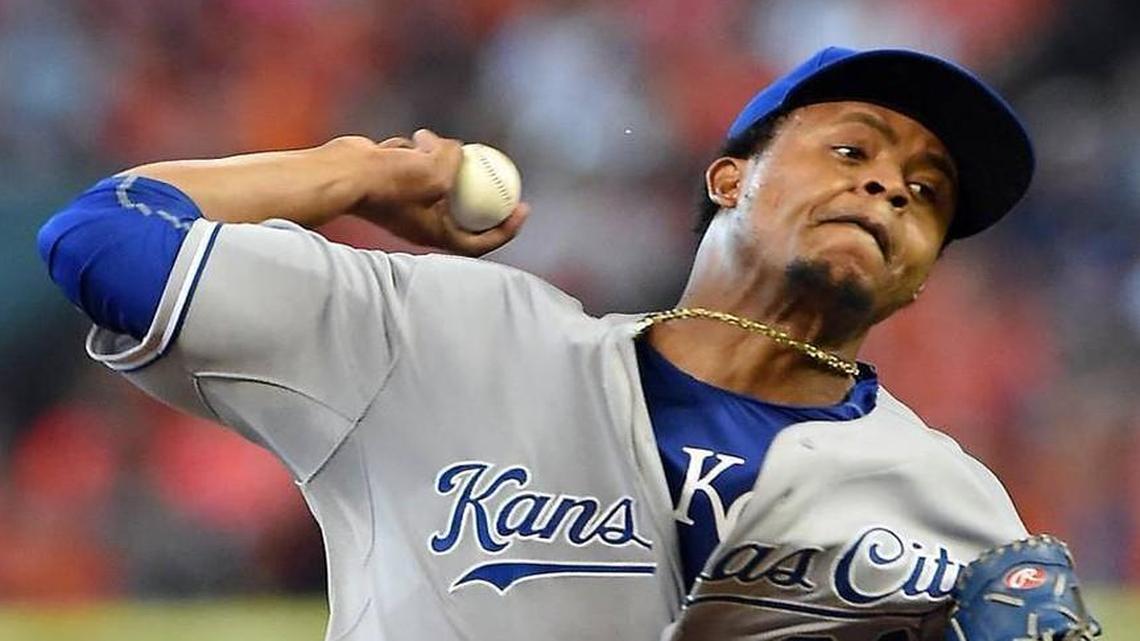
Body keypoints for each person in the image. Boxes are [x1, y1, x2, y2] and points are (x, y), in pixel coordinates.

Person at [37, 47, 1099, 640]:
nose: (887, 186)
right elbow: (103, 234)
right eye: (853, 149)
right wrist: (360, 173)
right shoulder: (447, 335)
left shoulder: (956, 506)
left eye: (926, 194)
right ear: (729, 177)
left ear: (921, 269)